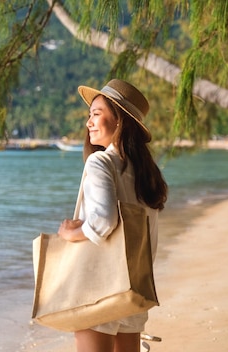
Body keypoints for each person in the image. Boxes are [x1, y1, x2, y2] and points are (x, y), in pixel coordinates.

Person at [57, 79, 168, 352]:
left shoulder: (101, 161)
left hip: (100, 287)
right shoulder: (147, 175)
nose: (89, 122)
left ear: (120, 120)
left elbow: (104, 220)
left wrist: (70, 232)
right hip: (133, 289)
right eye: (89, 115)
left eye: (96, 114)